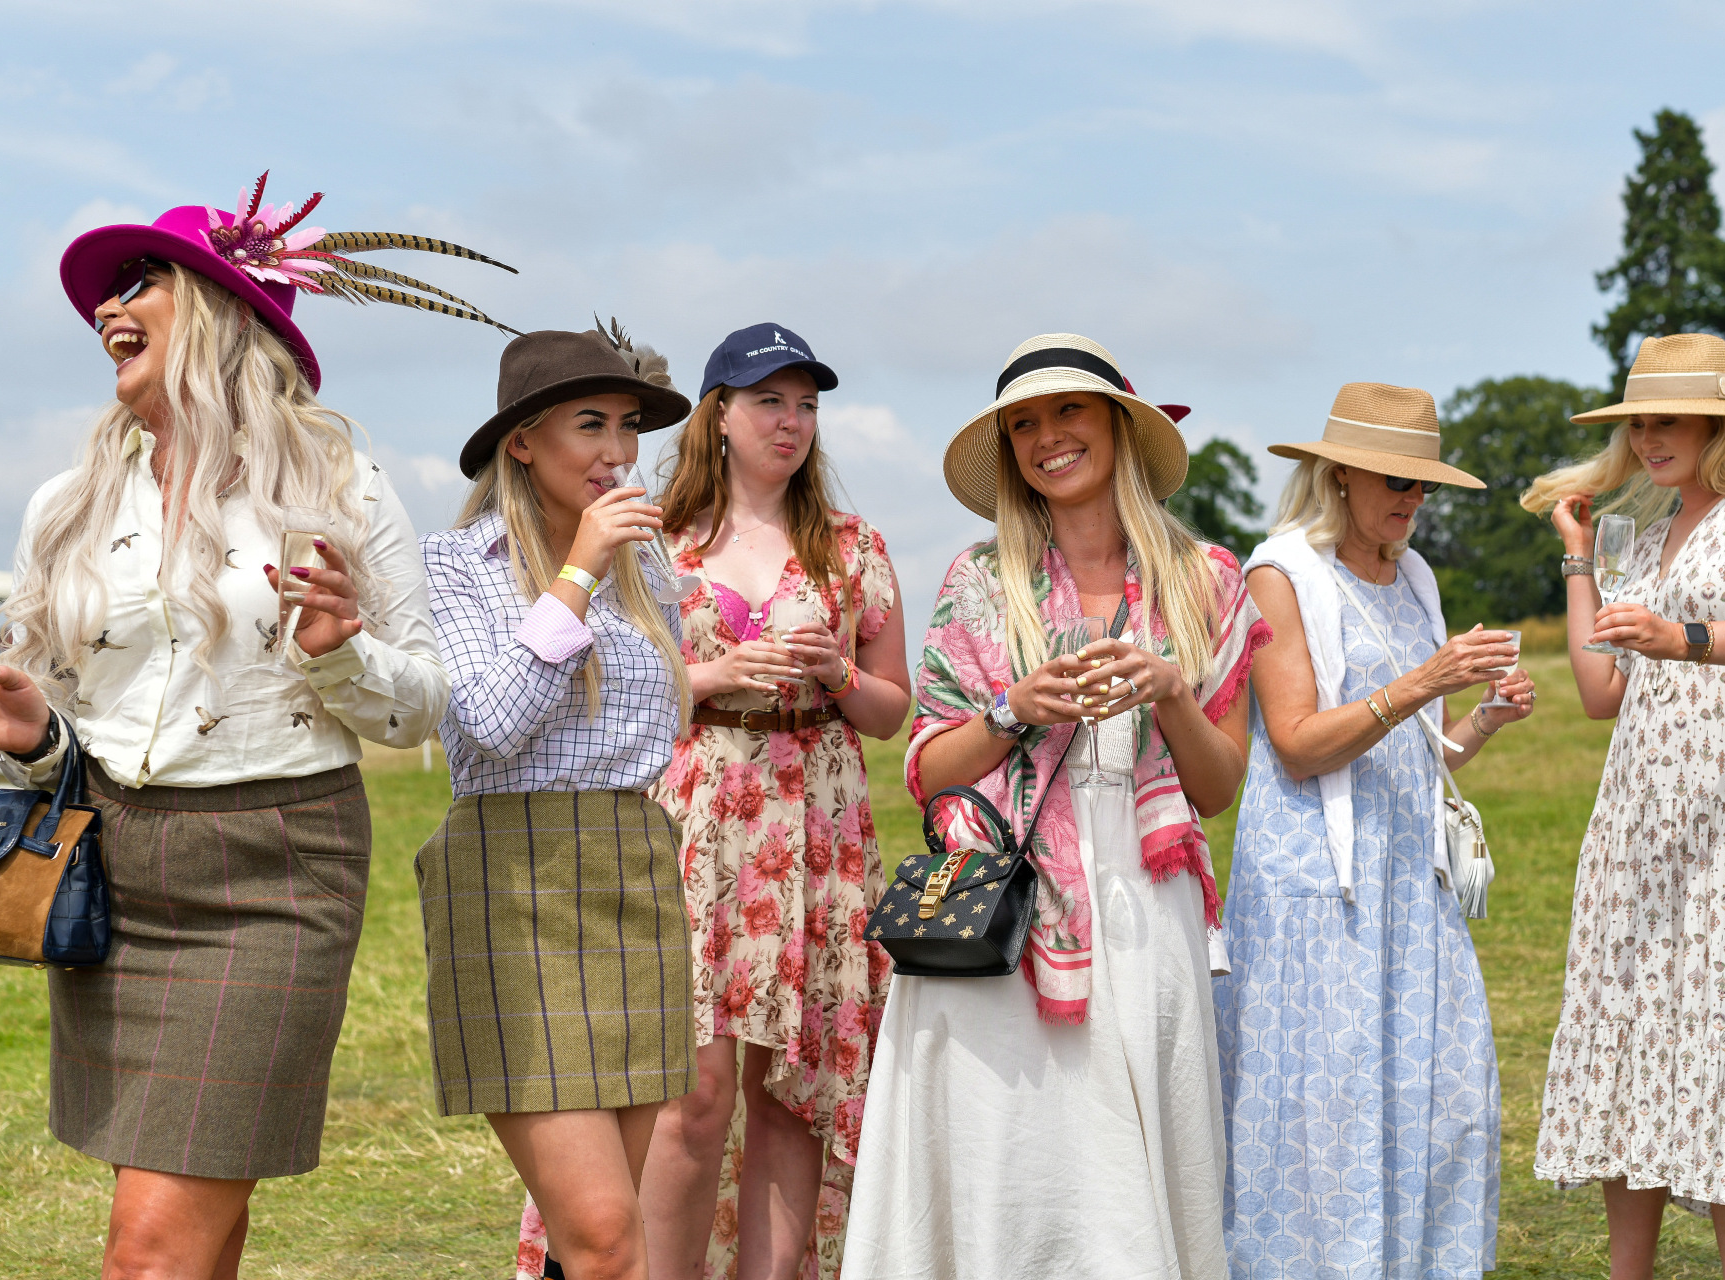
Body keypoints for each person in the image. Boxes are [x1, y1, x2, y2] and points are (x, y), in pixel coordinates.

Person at [0, 175, 503, 1278]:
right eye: (104, 293)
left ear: (222, 311)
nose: (105, 308)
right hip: (116, 868)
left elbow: (423, 702)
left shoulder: (341, 483)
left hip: (273, 872)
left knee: (149, 1247)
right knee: (193, 1233)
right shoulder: (63, 505)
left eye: (139, 281)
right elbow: (70, 724)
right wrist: (31, 734)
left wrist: (340, 652)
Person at [839, 333, 1266, 1280]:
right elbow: (931, 773)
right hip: (1008, 909)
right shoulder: (978, 581)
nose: (1047, 437)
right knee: (1015, 1166)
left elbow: (1217, 790)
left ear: (1117, 422)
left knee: (1135, 1172)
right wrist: (1012, 710)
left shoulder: (1205, 582)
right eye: (1023, 424)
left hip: (1147, 909)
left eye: (1067, 411)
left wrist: (1170, 691)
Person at [525, 322, 910, 1280]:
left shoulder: (855, 548)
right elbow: (595, 687)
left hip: (815, 815)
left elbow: (891, 712)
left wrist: (836, 675)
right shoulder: (652, 541)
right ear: (719, 416)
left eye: (808, 404)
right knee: (689, 1088)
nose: (792, 422)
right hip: (694, 812)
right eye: (770, 401)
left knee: (792, 1084)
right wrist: (712, 671)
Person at [1214, 381, 1532, 1278]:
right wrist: (1428, 681)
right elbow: (1302, 746)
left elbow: (1419, 761)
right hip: (1315, 892)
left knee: (1438, 1106)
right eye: (1394, 479)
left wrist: (1481, 721)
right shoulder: (1278, 574)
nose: (1410, 499)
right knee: (1326, 1111)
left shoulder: (1416, 575)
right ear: (1338, 474)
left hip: (1408, 883)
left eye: (1422, 484)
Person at [1520, 332, 1725, 1280]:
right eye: (1638, 420)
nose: (1648, 437)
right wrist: (1579, 558)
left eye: (1668, 417)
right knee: (1629, 1039)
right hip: (1637, 838)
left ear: (1720, 421)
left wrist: (1686, 636)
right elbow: (1602, 692)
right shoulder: (1643, 535)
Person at [424, 326, 699, 1280]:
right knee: (606, 1238)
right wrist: (577, 573)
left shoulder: (650, 569)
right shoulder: (456, 563)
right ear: (523, 441)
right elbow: (491, 723)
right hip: (512, 878)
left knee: (603, 1239)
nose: (619, 452)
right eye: (592, 425)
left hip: (632, 868)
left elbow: (655, 726)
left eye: (628, 427)